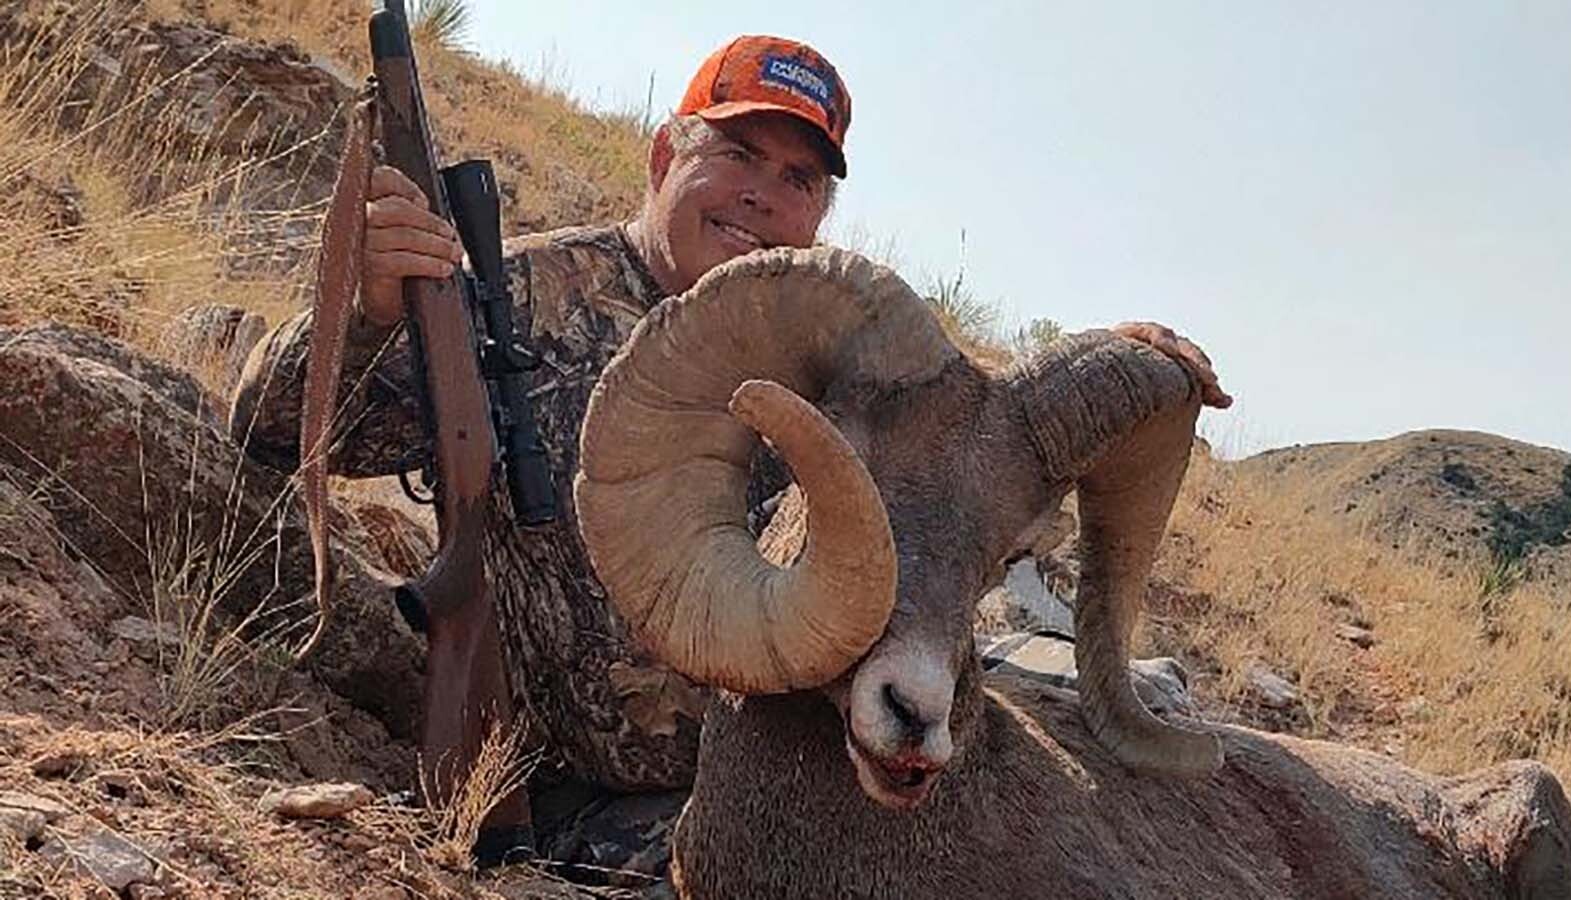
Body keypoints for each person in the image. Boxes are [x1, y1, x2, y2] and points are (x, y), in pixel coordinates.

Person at [230, 31, 1230, 853]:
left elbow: (965, 443)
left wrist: (1109, 362)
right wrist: (364, 315)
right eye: (736, 154)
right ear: (667, 156)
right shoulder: (510, 303)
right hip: (592, 796)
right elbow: (272, 433)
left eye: (797, 177)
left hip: (800, 760)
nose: (762, 194)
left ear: (819, 216)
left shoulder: (832, 348)